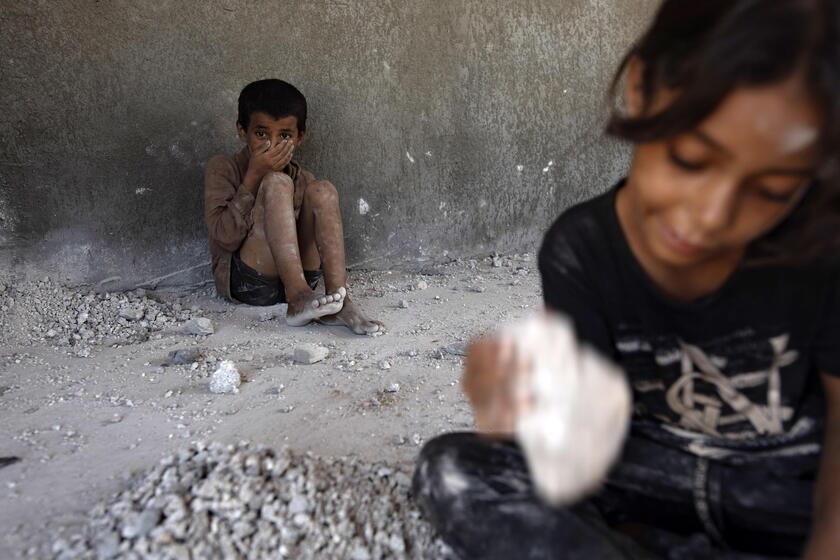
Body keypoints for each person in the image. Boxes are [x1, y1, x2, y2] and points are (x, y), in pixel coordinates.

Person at [413, 1, 840, 558]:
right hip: (648, 477)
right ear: (639, 88)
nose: (711, 216)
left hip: (783, 490)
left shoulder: (821, 256)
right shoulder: (581, 250)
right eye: (690, 159)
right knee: (456, 472)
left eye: (772, 192)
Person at [204, 79, 383, 335]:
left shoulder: (304, 180)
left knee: (323, 189)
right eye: (261, 134)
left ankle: (340, 299)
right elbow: (224, 238)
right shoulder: (223, 168)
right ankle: (296, 297)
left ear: (300, 137)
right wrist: (253, 177)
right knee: (276, 182)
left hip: (307, 282)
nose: (272, 145)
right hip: (250, 283)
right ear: (242, 131)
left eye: (285, 135)